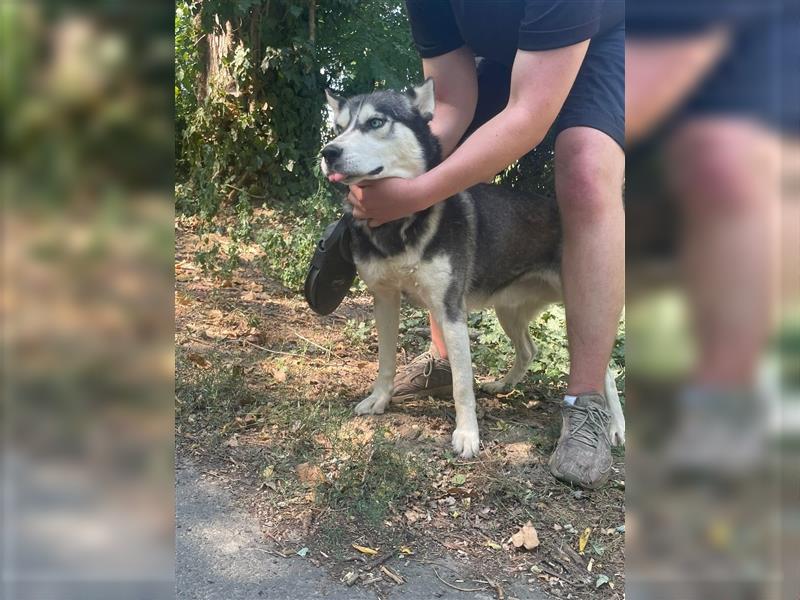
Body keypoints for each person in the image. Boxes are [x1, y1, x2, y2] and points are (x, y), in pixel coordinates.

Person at [309, 0, 625, 489]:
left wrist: (414, 193)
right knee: (427, 144)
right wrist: (400, 177)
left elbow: (528, 115)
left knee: (585, 169)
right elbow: (451, 102)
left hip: (609, 44)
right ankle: (435, 345)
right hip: (507, 60)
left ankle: (586, 401)